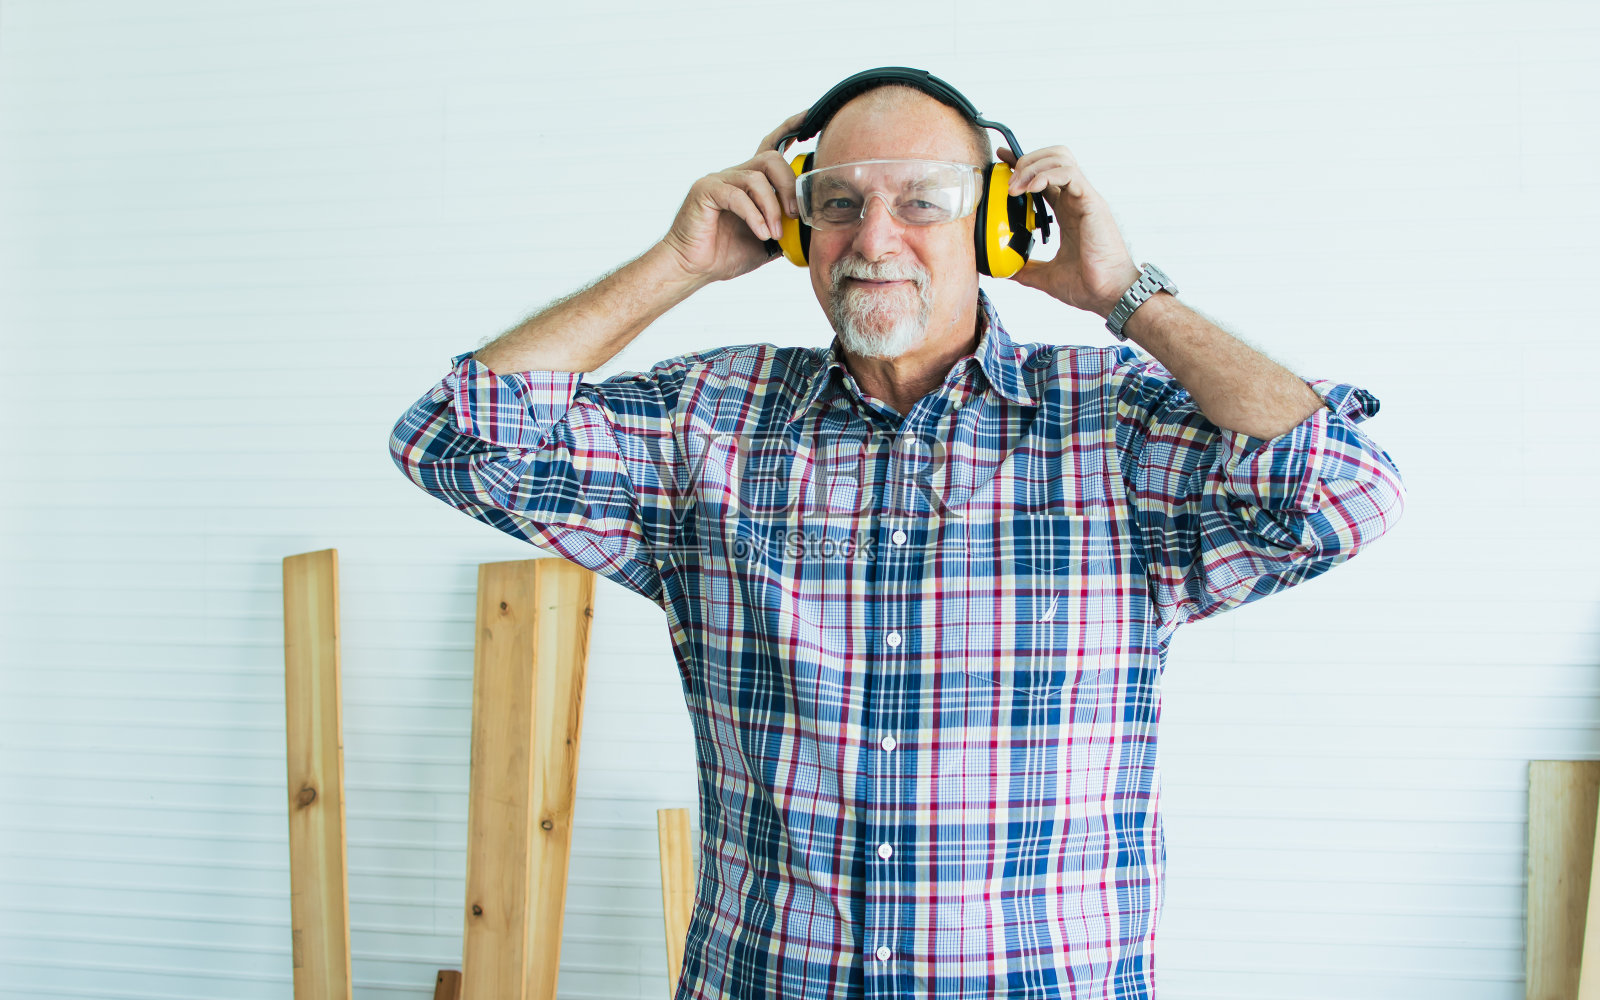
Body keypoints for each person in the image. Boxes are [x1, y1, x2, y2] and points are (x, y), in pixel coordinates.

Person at [390, 66, 1404, 1000]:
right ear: (793, 227)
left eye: (922, 199)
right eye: (838, 203)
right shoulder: (710, 423)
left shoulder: (1117, 428)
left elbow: (1342, 491)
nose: (874, 239)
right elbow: (455, 439)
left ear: (998, 225)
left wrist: (1123, 296)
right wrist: (677, 263)